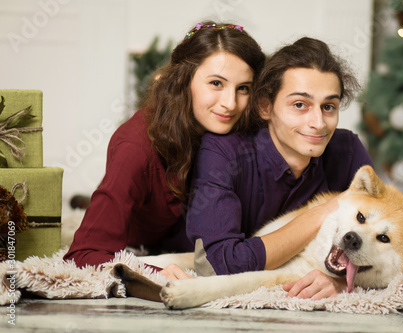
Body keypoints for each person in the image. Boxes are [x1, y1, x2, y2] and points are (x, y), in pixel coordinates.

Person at [63, 21, 266, 277]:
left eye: (243, 88)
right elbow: (83, 255)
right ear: (184, 80)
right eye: (216, 83)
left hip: (195, 233)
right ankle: (88, 200)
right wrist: (153, 271)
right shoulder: (135, 147)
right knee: (105, 202)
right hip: (151, 236)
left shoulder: (244, 129)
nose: (230, 103)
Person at [185, 37, 373, 300]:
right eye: (300, 105)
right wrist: (323, 212)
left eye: (328, 107)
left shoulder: (348, 150)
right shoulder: (222, 152)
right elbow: (218, 265)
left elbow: (389, 245)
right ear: (265, 106)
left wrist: (343, 284)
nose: (318, 123)